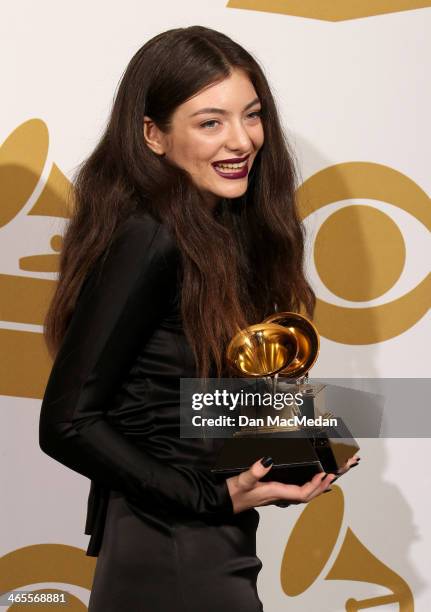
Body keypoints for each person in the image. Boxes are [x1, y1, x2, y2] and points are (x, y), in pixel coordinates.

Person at [39, 25, 359, 612]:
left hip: (201, 541)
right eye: (210, 122)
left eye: (252, 115)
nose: (241, 140)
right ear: (153, 135)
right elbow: (67, 422)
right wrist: (211, 497)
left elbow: (174, 400)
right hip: (170, 545)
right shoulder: (149, 238)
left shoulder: (213, 235)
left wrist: (295, 442)